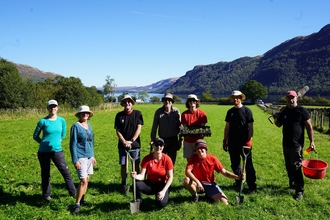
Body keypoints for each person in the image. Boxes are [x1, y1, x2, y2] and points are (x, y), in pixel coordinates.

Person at [274, 90, 315, 200]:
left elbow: (309, 127)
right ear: (286, 99)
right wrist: (276, 117)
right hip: (286, 144)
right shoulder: (285, 111)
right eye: (288, 98)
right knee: (289, 166)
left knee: (296, 166)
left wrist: (312, 142)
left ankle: (299, 190)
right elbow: (278, 124)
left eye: (292, 97)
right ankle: (292, 184)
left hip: (297, 145)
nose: (290, 100)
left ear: (296, 98)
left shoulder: (302, 111)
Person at [33, 100, 76, 201]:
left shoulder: (62, 120)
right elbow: (35, 136)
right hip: (43, 152)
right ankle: (46, 195)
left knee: (65, 171)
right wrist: (42, 143)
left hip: (57, 151)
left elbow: (63, 134)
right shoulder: (43, 121)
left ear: (57, 108)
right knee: (45, 173)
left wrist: (57, 142)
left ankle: (73, 192)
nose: (53, 108)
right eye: (51, 107)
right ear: (48, 108)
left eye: (54, 106)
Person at [183, 139, 243, 205]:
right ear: (195, 150)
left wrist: (237, 177)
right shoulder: (193, 157)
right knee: (187, 180)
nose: (199, 150)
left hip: (210, 184)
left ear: (206, 149)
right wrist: (198, 182)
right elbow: (187, 172)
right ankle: (195, 195)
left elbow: (224, 172)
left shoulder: (212, 158)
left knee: (225, 203)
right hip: (198, 184)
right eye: (197, 149)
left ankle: (209, 195)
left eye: (201, 148)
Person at [223, 90, 257, 193]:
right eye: (234, 98)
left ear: (241, 98)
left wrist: (249, 140)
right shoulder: (230, 112)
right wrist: (225, 140)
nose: (235, 99)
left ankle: (252, 186)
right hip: (232, 142)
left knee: (248, 165)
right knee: (234, 164)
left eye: (237, 97)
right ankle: (239, 181)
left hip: (244, 143)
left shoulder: (247, 111)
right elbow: (227, 127)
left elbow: (250, 127)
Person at [131, 138, 173, 209]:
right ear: (153, 146)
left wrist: (163, 191)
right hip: (150, 184)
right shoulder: (147, 159)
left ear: (163, 146)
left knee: (160, 204)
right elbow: (142, 175)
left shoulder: (167, 159)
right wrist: (135, 176)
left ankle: (161, 195)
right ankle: (140, 204)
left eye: (161, 145)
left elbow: (170, 177)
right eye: (156, 145)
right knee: (136, 185)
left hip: (161, 184)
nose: (158, 147)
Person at [70, 105, 97, 214]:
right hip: (80, 156)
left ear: (89, 115)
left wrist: (93, 155)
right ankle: (76, 205)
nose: (85, 114)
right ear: (79, 114)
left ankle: (82, 199)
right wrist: (75, 160)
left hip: (89, 156)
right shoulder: (75, 126)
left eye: (87, 113)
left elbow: (91, 141)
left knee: (87, 180)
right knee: (83, 180)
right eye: (83, 113)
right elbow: (73, 144)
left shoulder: (89, 125)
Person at [114, 94, 144, 193]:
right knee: (123, 164)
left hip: (135, 145)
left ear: (132, 103)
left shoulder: (137, 113)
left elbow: (139, 128)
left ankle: (138, 182)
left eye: (129, 101)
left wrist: (132, 140)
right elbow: (118, 131)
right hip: (122, 145)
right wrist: (124, 142)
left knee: (135, 164)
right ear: (123, 104)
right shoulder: (119, 115)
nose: (127, 103)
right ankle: (124, 183)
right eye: (125, 102)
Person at [150, 93, 181, 165]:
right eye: (165, 100)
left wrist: (180, 140)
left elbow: (180, 126)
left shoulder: (176, 112)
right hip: (162, 139)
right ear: (163, 101)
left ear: (172, 102)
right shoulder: (158, 112)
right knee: (161, 160)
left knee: (172, 161)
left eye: (169, 100)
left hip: (173, 139)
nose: (167, 102)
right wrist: (152, 139)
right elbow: (154, 126)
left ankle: (170, 176)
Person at [181, 94, 208, 160]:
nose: (192, 102)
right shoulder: (184, 114)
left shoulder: (202, 114)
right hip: (188, 141)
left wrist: (190, 131)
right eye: (190, 101)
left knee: (200, 159)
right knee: (189, 160)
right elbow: (185, 129)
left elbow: (202, 129)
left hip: (199, 141)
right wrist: (195, 131)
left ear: (196, 102)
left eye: (194, 100)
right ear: (188, 102)